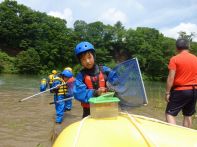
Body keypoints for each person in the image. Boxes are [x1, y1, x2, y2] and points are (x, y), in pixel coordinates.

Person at [73, 41, 113, 118]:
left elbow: (117, 82)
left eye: (89, 57)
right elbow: (78, 93)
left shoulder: (105, 70)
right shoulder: (80, 76)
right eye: (83, 59)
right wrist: (95, 93)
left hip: (107, 107)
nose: (87, 61)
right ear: (80, 61)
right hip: (89, 111)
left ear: (94, 56)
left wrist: (110, 88)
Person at [165, 38, 197, 128]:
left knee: (169, 114)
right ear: (188, 47)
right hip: (194, 90)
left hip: (181, 90)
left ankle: (175, 137)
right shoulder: (195, 58)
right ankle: (186, 138)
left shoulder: (175, 59)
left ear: (177, 48)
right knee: (188, 115)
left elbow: (171, 77)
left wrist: (167, 92)